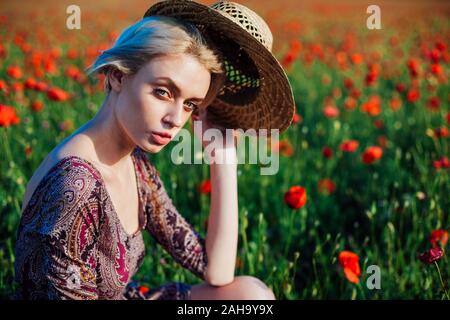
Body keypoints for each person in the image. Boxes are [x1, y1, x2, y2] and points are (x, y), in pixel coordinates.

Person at [14, 0, 295, 300]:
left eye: (189, 104)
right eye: (163, 92)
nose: (175, 119)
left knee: (250, 296)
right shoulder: (74, 184)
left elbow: (217, 270)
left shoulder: (135, 165)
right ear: (118, 76)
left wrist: (222, 157)